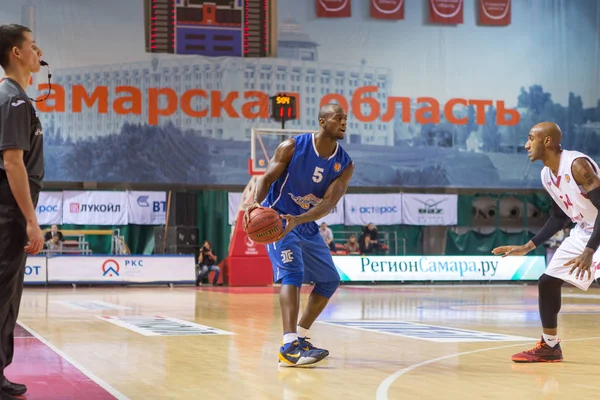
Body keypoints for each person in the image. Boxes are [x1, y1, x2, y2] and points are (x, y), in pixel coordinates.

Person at [244, 103, 354, 367]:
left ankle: (301, 336)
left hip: (304, 223)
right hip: (277, 220)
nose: (343, 123)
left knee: (329, 280)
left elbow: (327, 204)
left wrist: (300, 219)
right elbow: (267, 179)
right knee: (292, 273)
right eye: (338, 118)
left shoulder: (345, 164)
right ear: (322, 121)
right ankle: (288, 344)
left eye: (345, 119)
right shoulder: (292, 147)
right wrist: (254, 205)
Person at [492, 122, 600, 363]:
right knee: (548, 282)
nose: (526, 145)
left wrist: (590, 251)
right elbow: (559, 217)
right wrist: (528, 247)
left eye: (531, 138)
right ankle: (550, 346)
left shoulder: (577, 166)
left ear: (547, 141)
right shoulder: (546, 175)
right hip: (584, 229)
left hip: (597, 230)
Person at [0, 24, 45, 398]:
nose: (38, 51)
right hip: (8, 215)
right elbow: (13, 164)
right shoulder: (13, 99)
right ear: (16, 53)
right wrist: (31, 221)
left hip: (9, 213)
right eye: (32, 45)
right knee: (3, 297)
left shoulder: (16, 97)